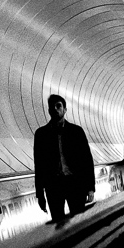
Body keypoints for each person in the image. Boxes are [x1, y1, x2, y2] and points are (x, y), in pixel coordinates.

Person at [34, 94, 94, 224]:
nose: (55, 109)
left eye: (59, 106)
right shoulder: (41, 134)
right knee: (59, 224)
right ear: (49, 111)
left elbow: (87, 160)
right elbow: (39, 166)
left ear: (65, 109)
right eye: (52, 107)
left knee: (80, 222)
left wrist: (90, 187)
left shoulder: (76, 131)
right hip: (54, 186)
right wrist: (40, 194)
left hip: (75, 183)